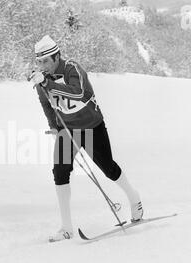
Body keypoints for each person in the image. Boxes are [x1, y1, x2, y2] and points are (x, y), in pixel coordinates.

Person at [29, 35, 143, 242]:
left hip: (91, 127)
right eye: (39, 61)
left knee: (107, 167)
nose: (42, 65)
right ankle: (66, 228)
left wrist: (47, 83)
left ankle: (134, 197)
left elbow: (79, 93)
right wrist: (54, 127)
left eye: (46, 61)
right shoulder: (41, 81)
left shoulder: (72, 68)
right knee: (60, 171)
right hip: (68, 129)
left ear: (56, 57)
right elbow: (46, 105)